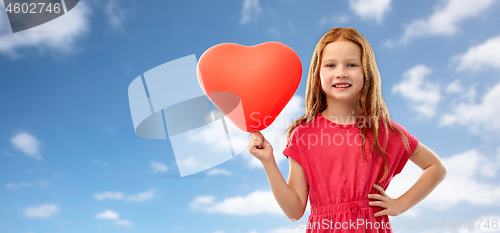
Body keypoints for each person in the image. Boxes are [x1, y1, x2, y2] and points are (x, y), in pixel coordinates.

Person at [247, 27, 447, 232]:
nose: (341, 73)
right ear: (318, 73)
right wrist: (268, 161)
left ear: (366, 71)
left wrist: (401, 204)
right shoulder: (303, 135)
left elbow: (436, 167)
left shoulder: (384, 131)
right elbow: (294, 210)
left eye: (351, 64)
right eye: (330, 65)